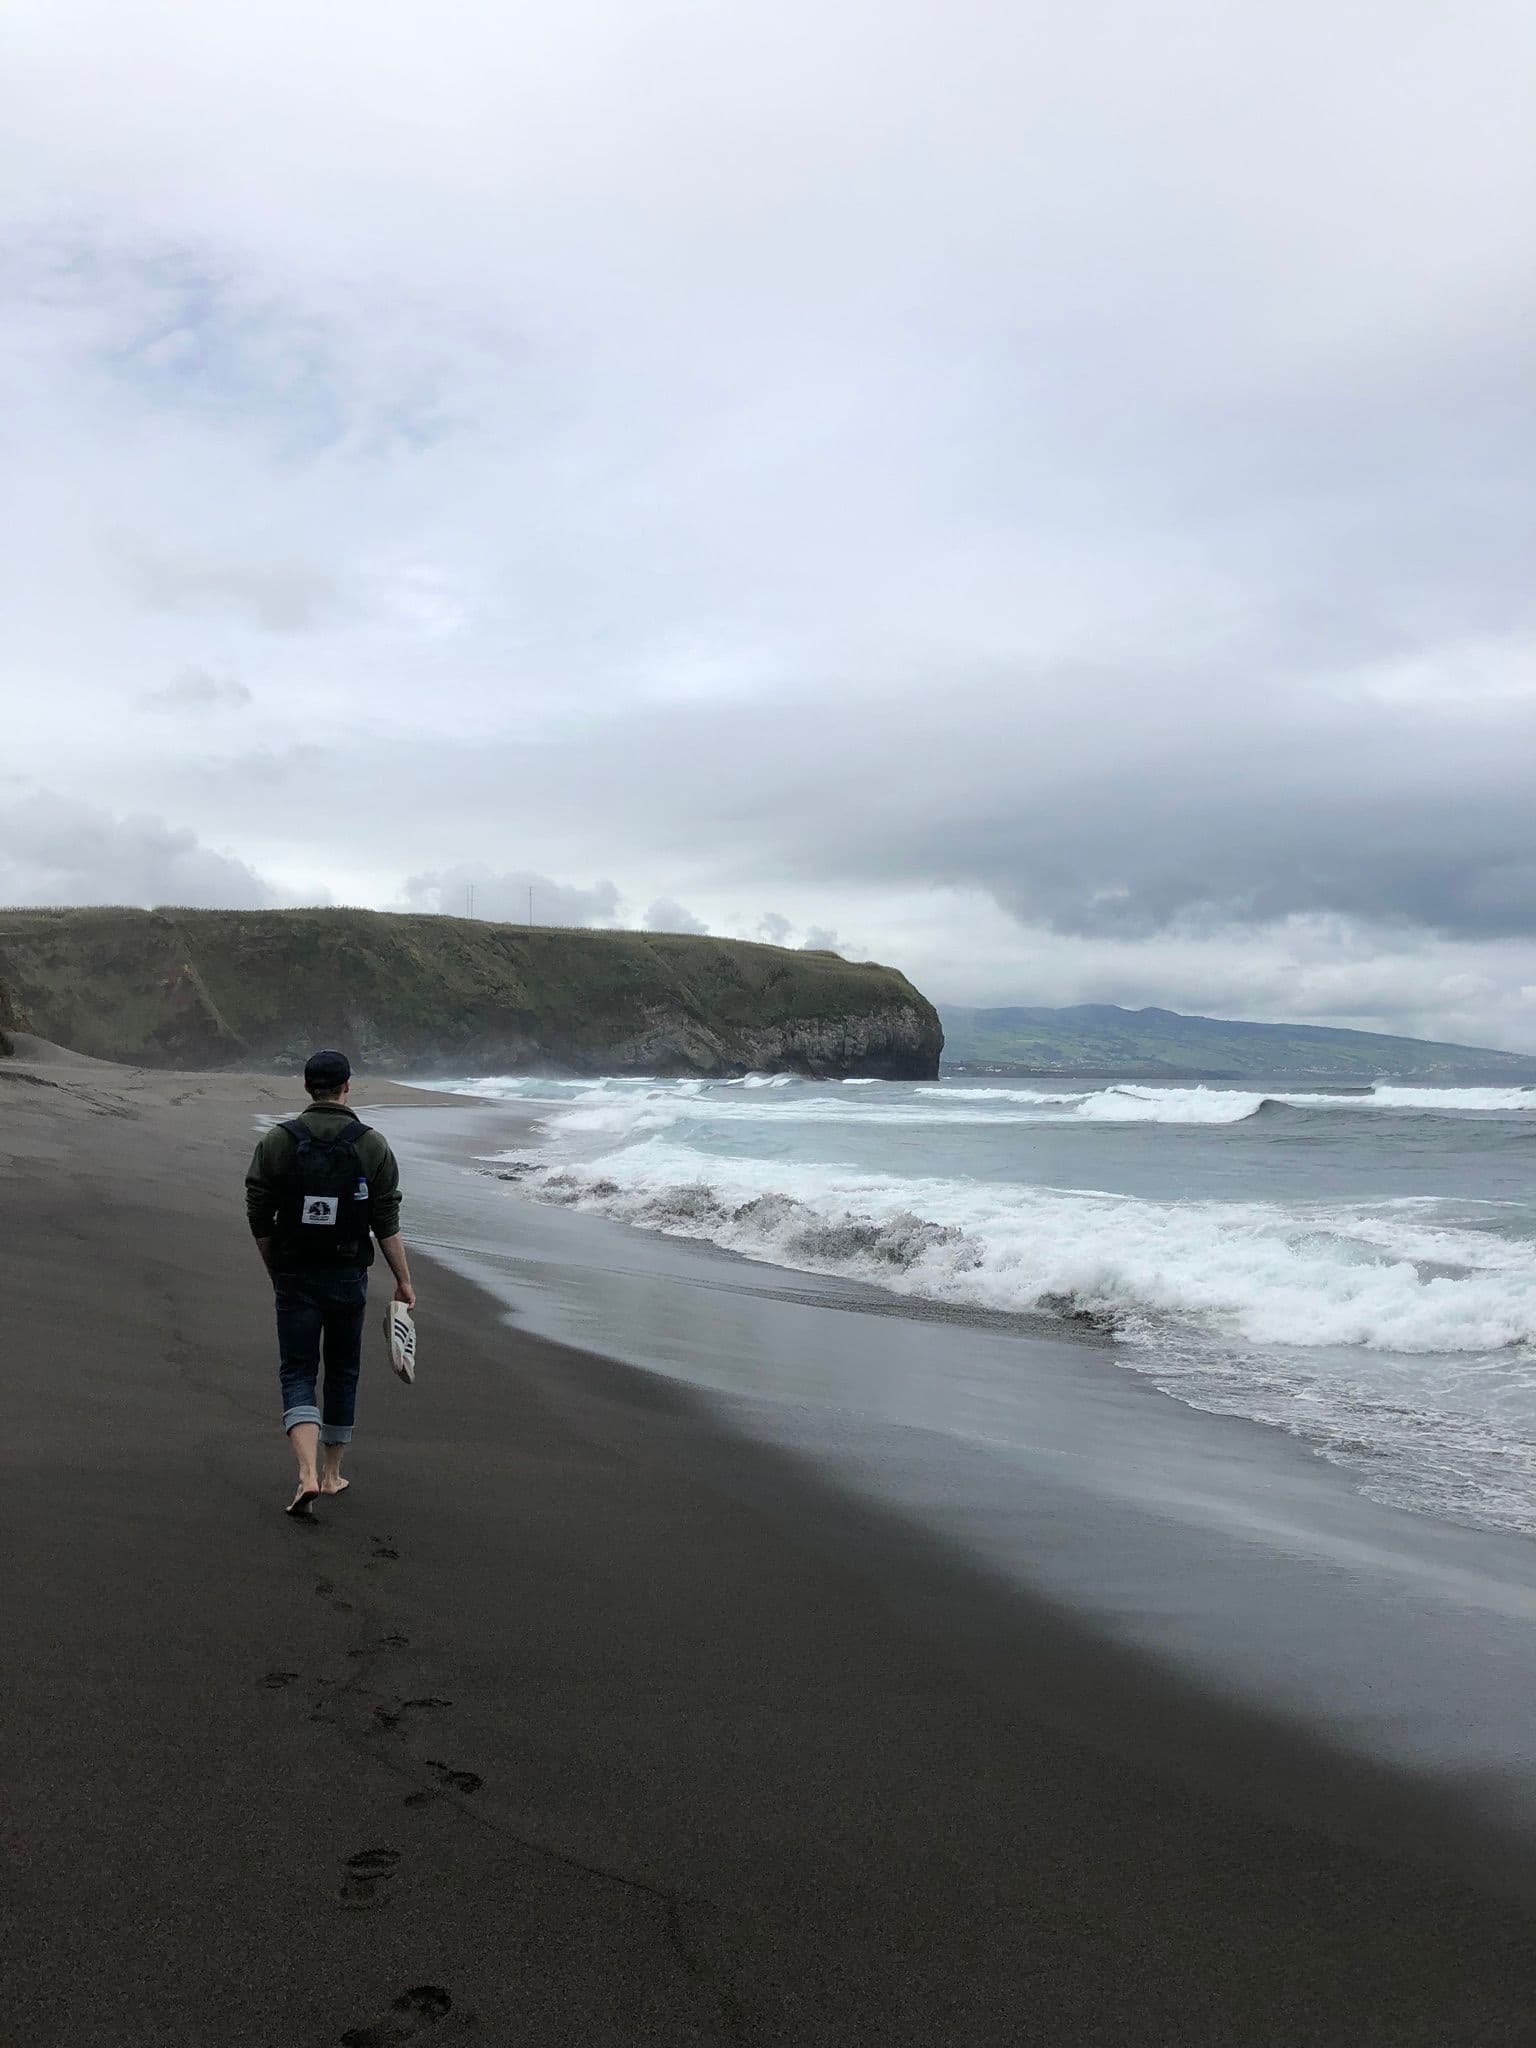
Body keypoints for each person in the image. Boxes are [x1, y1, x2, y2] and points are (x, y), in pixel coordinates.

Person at [245, 1049, 416, 1516]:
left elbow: (258, 1211)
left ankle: (303, 1474)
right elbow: (386, 1221)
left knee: (298, 1371)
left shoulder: (279, 1141)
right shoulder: (372, 1144)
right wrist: (404, 1281)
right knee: (342, 1371)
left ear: (306, 1088)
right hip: (346, 1277)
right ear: (347, 1087)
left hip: (294, 1273)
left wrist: (275, 1266)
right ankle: (331, 1474)